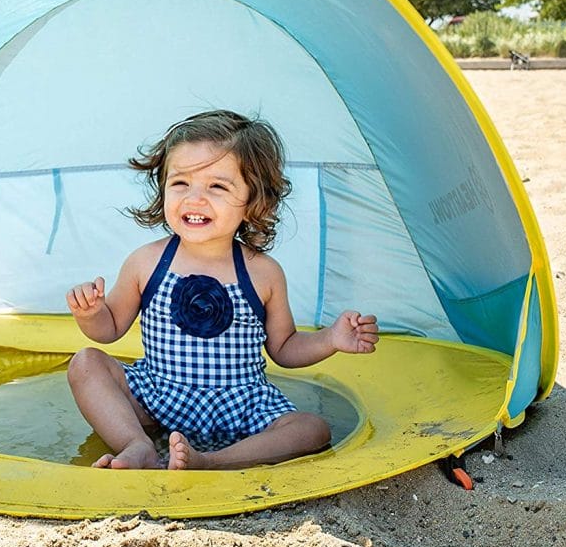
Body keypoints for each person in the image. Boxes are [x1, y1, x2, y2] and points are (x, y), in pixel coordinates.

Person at [66, 110, 379, 470]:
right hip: (158, 396)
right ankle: (137, 444)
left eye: (217, 186)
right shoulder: (146, 262)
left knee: (312, 429)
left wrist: (330, 339)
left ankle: (212, 461)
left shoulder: (262, 273)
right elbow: (109, 330)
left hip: (242, 405)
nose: (195, 198)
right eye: (180, 183)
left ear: (252, 201)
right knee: (86, 363)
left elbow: (285, 348)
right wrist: (91, 314)